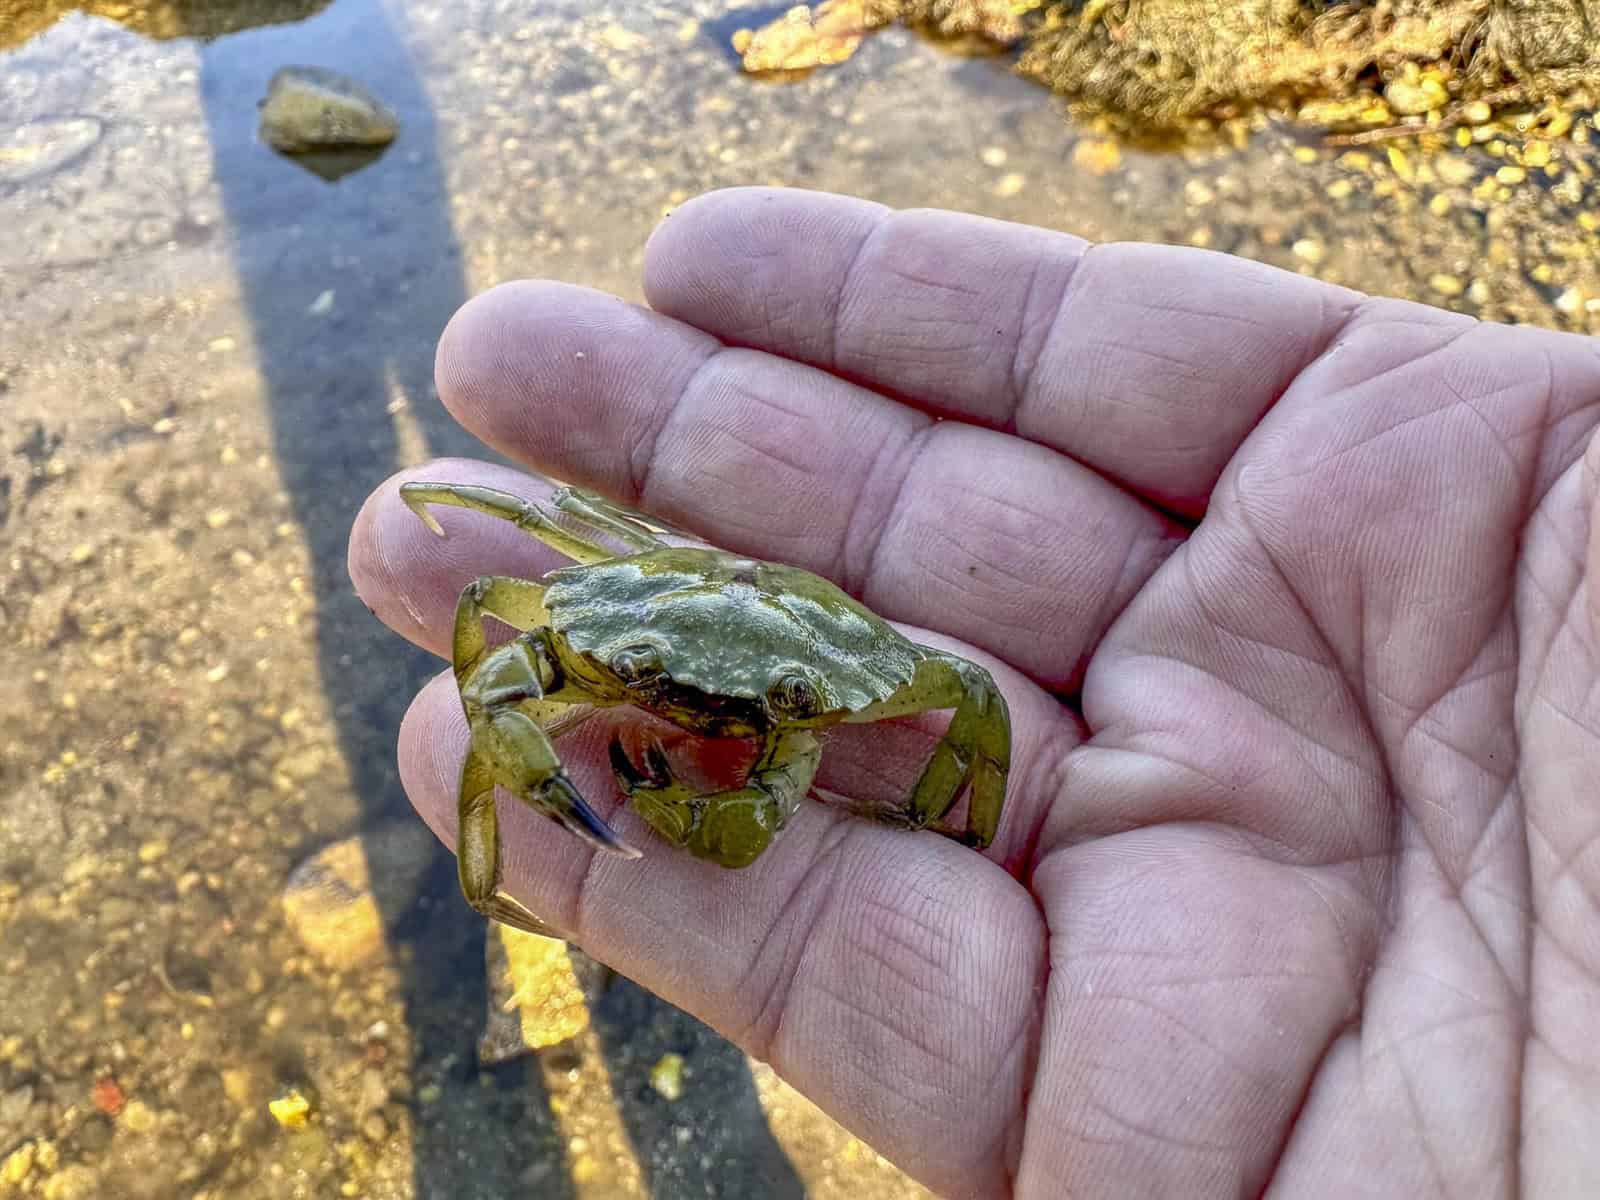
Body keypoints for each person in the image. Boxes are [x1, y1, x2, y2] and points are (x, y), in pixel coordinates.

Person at [349, 187, 1600, 1198]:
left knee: (745, 773)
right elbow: (494, 604)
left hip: (801, 646)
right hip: (708, 618)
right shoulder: (592, 625)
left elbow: (972, 704)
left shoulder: (845, 689)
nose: (714, 716)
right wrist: (543, 722)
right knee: (486, 702)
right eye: (650, 682)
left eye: (770, 707)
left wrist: (946, 802)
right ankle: (508, 880)